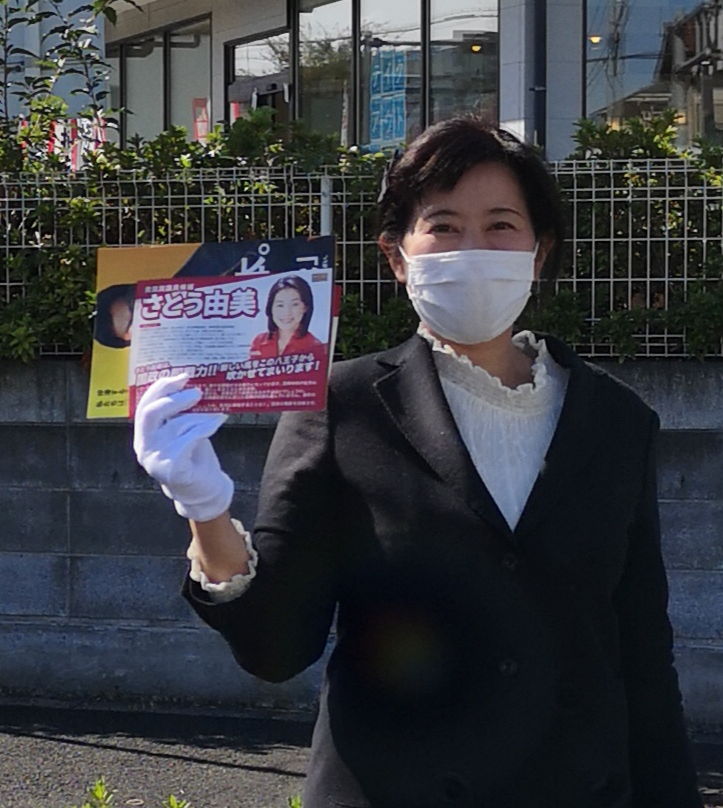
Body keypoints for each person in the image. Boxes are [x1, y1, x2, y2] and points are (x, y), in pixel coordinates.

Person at [133, 117, 702, 807]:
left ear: (539, 250)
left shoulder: (616, 420)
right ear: (397, 256)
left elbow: (642, 654)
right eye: (443, 226)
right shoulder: (341, 405)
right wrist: (204, 507)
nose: (473, 249)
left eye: (500, 225)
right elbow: (276, 649)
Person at [248, 275, 324, 361]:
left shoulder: (314, 346)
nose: (287, 312)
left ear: (305, 307)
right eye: (280, 305)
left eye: (295, 304)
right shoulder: (259, 341)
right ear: (271, 308)